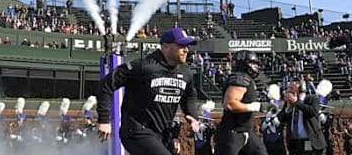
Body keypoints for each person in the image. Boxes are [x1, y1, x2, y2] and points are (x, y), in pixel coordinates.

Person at [97, 27, 201, 155]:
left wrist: (192, 116)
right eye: (181, 45)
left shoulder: (186, 72)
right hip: (137, 131)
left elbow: (189, 96)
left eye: (187, 46)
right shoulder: (144, 67)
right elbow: (107, 84)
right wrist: (104, 120)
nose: (186, 50)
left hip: (162, 134)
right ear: (165, 47)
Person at [214, 50, 269, 155]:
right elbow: (230, 104)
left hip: (247, 130)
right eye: (252, 63)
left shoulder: (247, 79)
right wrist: (254, 107)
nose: (255, 66)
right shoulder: (240, 78)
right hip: (232, 133)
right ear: (243, 63)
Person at [278, 77, 326, 155]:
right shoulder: (289, 103)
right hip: (294, 142)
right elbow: (281, 119)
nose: (289, 90)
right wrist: (287, 108)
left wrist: (296, 102)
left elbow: (313, 112)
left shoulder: (312, 99)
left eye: (292, 88)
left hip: (309, 140)